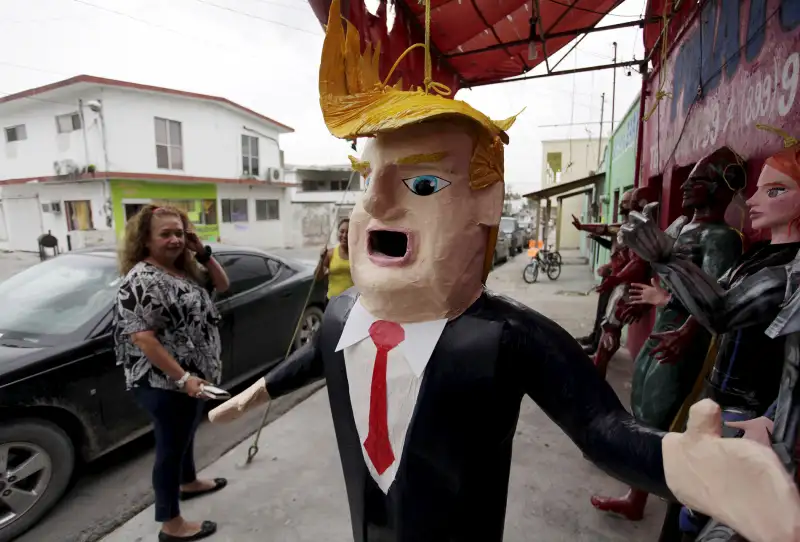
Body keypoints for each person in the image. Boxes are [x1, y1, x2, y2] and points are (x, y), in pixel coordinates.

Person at [208, 3, 675, 541]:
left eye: (423, 184)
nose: (378, 202)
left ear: (488, 205)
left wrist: (686, 463)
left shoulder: (503, 338)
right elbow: (312, 359)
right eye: (369, 179)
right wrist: (255, 393)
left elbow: (600, 428)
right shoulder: (340, 318)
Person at [621, 142, 800, 541]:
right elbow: (712, 295)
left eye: (775, 191)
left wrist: (668, 260)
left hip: (750, 406)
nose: (752, 199)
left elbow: (720, 310)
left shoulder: (788, 272)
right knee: (688, 491)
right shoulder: (757, 257)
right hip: (720, 391)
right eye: (757, 189)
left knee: (708, 511)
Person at [590, 147, 745, 521]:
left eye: (700, 181)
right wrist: (627, 288)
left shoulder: (723, 238)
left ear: (722, 189)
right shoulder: (679, 226)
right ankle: (638, 493)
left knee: (662, 413)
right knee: (643, 403)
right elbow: (650, 261)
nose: (689, 186)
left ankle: (663, 497)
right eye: (689, 179)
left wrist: (688, 332)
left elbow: (715, 296)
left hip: (683, 335)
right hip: (663, 326)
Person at [114, 205, 231, 542]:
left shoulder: (184, 270)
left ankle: (189, 482)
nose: (175, 239)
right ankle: (170, 523)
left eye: (179, 232)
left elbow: (222, 284)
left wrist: (201, 251)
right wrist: (183, 379)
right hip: (164, 382)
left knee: (186, 431)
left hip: (192, 378)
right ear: (145, 241)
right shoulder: (141, 280)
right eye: (165, 234)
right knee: (169, 448)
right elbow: (143, 338)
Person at [318, 218, 354, 299]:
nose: (344, 235)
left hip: (351, 302)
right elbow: (318, 277)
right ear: (337, 233)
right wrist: (321, 260)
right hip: (332, 301)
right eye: (342, 231)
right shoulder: (330, 253)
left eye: (348, 232)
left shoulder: (357, 255)